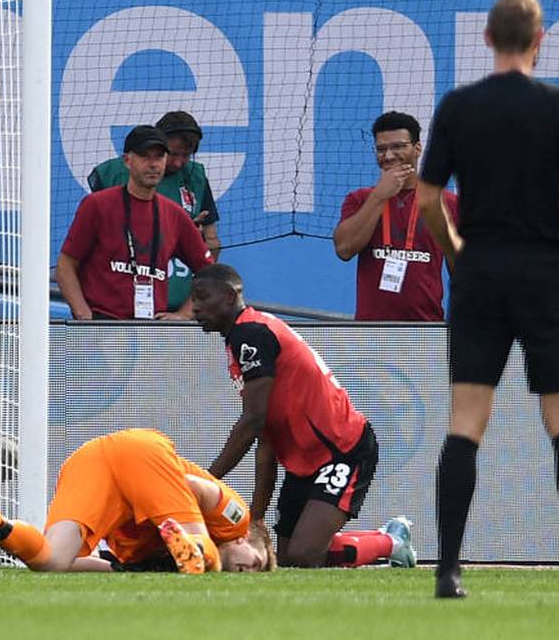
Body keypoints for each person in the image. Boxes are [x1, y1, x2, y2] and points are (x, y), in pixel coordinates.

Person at [416, 0, 559, 600]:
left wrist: (459, 257)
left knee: (466, 422)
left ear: (487, 39)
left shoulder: (458, 106)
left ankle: (449, 572)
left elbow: (428, 199)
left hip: (481, 272)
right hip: (546, 275)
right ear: (540, 40)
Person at [192, 264, 416, 570]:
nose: (195, 307)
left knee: (304, 556)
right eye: (193, 299)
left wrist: (205, 482)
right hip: (304, 461)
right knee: (287, 559)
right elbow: (266, 437)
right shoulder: (243, 337)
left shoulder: (251, 335)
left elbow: (252, 422)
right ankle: (381, 540)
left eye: (202, 297)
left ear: (230, 297)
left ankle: (392, 542)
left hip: (344, 450)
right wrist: (256, 519)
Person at [0, 428, 273, 573]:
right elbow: (195, 488)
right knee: (203, 554)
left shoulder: (149, 558)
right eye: (256, 562)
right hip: (142, 454)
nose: (248, 570)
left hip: (90, 463)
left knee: (52, 560)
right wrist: (161, 501)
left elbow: (105, 567)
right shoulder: (235, 519)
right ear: (249, 539)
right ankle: (194, 550)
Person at [58, 125, 213, 320]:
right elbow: (66, 264)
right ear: (127, 161)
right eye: (144, 156)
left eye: (159, 156)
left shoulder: (175, 215)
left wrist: (183, 315)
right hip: (103, 323)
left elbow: (210, 274)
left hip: (151, 329)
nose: (153, 164)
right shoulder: (97, 205)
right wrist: (83, 314)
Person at [333, 111, 459, 321]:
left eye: (398, 146)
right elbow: (344, 249)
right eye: (381, 149)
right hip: (369, 331)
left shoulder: (446, 203)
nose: (389, 155)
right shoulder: (360, 199)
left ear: (417, 148)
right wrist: (379, 196)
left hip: (426, 328)